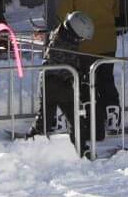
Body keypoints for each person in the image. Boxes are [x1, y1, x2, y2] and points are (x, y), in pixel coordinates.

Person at [56, 0, 121, 139]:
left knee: (85, 84)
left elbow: (63, 14)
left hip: (83, 45)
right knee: (106, 81)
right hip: (108, 43)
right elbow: (116, 10)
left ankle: (89, 120)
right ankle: (113, 120)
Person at [28, 10, 96, 157]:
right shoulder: (61, 43)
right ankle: (81, 148)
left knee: (46, 119)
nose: (81, 41)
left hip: (50, 82)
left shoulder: (63, 34)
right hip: (56, 83)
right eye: (81, 37)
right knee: (74, 119)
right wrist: (78, 70)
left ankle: (30, 145)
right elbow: (62, 63)